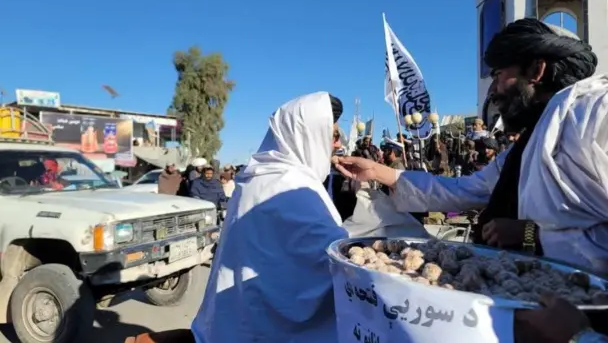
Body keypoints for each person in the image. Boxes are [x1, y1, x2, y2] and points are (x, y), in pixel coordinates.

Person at [334, 18, 601, 271]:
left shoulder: (593, 114)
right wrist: (380, 172)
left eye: (498, 75)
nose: (493, 90)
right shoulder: (532, 139)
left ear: (536, 70)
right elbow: (469, 189)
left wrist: (531, 233)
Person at [191, 92, 348, 343]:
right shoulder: (292, 185)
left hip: (232, 326)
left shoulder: (258, 177)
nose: (338, 144)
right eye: (335, 135)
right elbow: (337, 264)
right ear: (309, 135)